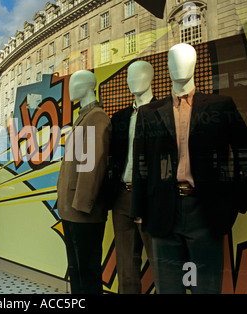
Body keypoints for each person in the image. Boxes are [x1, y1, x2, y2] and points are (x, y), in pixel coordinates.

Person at [131, 43, 247, 294]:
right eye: (174, 60)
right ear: (166, 67)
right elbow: (141, 164)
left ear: (196, 63)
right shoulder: (150, 113)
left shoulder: (220, 106)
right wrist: (139, 209)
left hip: (206, 212)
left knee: (206, 288)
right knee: (168, 288)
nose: (180, 65)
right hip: (162, 212)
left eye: (187, 59)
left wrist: (235, 204)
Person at [57, 70, 111, 294]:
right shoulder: (84, 117)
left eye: (76, 82)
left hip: (82, 211)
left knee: (86, 272)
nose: (70, 87)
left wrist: (81, 205)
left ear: (90, 86)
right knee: (77, 270)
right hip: (72, 209)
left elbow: (93, 166)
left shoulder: (96, 118)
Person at [109, 61, 155, 294]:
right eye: (129, 76)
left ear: (152, 77)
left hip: (151, 197)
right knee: (126, 266)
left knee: (160, 263)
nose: (132, 80)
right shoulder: (119, 117)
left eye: (140, 74)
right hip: (122, 196)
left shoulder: (163, 111)